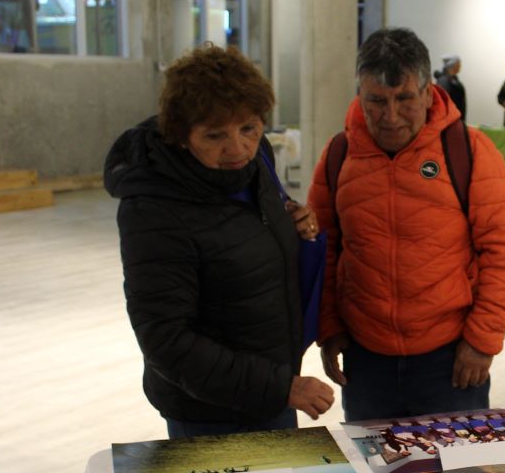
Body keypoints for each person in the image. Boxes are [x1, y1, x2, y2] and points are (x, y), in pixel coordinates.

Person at [106, 43, 334, 438]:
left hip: (271, 394)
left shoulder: (255, 163)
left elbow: (238, 232)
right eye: (215, 136)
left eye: (249, 128)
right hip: (209, 412)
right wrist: (282, 387)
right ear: (180, 135)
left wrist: (292, 219)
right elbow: (166, 341)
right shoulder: (153, 208)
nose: (238, 149)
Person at [309, 27, 505, 421]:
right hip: (367, 360)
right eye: (376, 101)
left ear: (429, 93)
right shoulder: (339, 154)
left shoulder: (469, 151)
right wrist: (329, 328)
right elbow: (323, 249)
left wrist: (482, 341)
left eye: (405, 99)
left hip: (450, 360)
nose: (390, 116)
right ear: (360, 95)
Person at [435, 54, 466, 120]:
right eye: (459, 63)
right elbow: (442, 103)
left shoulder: (453, 80)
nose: (460, 66)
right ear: (453, 65)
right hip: (449, 123)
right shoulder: (444, 81)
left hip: (456, 121)